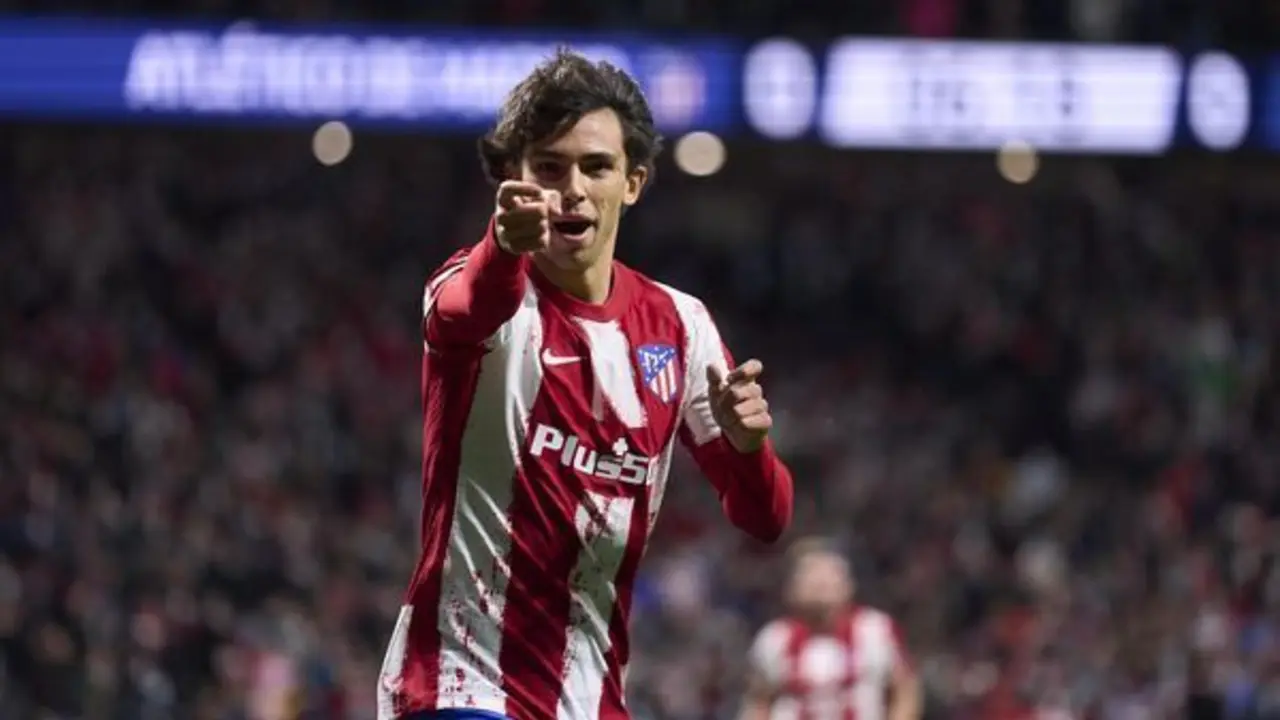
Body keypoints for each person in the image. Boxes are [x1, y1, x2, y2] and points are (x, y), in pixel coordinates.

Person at [376, 49, 795, 720]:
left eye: (596, 166)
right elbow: (466, 308)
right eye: (549, 167)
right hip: (459, 685)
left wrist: (749, 447)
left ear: (633, 183)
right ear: (514, 178)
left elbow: (765, 518)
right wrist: (501, 248)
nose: (572, 188)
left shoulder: (682, 327)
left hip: (589, 700)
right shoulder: (475, 288)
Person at [739, 538, 921, 720]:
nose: (820, 583)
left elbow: (905, 691)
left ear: (848, 584)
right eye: (810, 575)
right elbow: (758, 702)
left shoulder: (875, 630)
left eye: (829, 574)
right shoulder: (774, 638)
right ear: (791, 588)